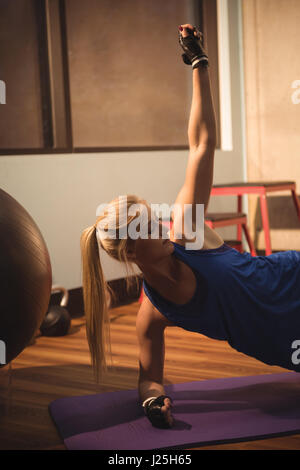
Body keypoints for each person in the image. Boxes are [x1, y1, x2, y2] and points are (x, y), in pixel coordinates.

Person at [80, 24, 300, 430]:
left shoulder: (187, 232)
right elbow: (148, 378)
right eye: (148, 225)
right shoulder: (153, 313)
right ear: (131, 252)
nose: (161, 225)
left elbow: (201, 143)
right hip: (285, 342)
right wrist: (153, 401)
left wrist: (198, 63)